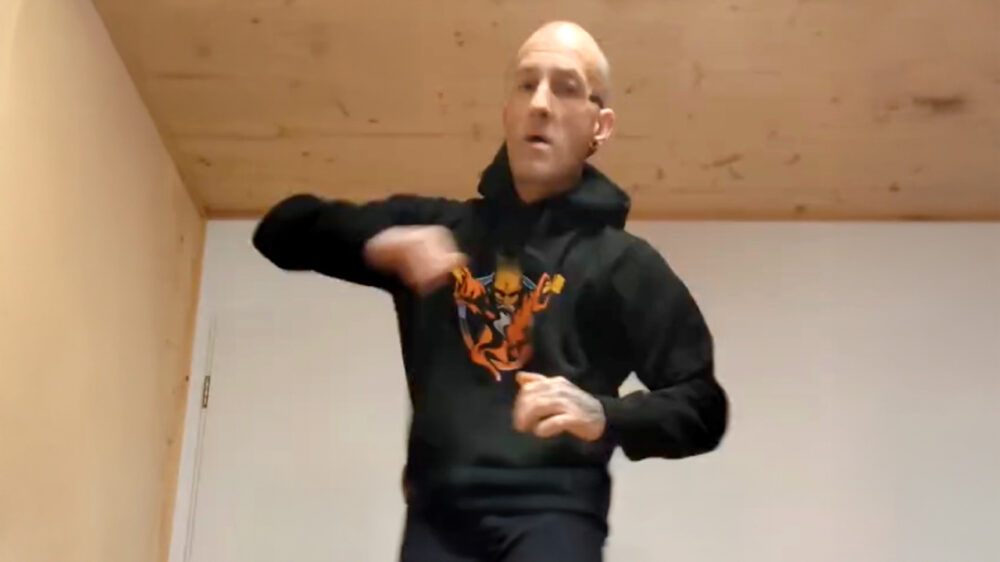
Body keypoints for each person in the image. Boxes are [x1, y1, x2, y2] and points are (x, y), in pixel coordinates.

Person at [252, 20, 728, 562]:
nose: (540, 103)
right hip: (435, 519)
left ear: (601, 126)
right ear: (507, 112)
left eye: (566, 87)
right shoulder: (438, 228)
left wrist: (604, 414)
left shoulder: (623, 264)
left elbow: (702, 406)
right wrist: (377, 243)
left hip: (556, 516)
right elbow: (278, 231)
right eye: (526, 84)